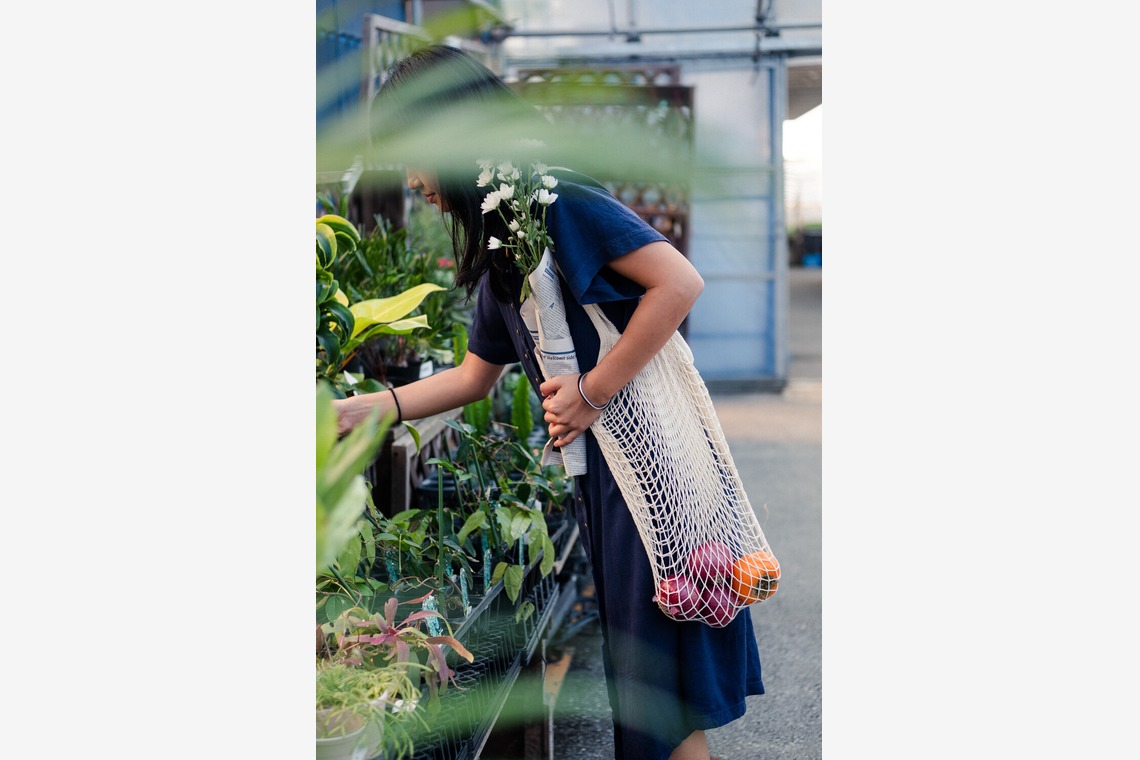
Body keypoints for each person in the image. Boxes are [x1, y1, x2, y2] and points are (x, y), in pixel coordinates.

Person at [334, 44, 764, 760]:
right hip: (607, 480)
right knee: (653, 700)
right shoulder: (509, 241)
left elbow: (679, 283)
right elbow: (475, 376)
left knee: (657, 701)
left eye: (414, 154)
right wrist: (373, 407)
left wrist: (593, 392)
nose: (411, 180)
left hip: (648, 473)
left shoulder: (555, 203)